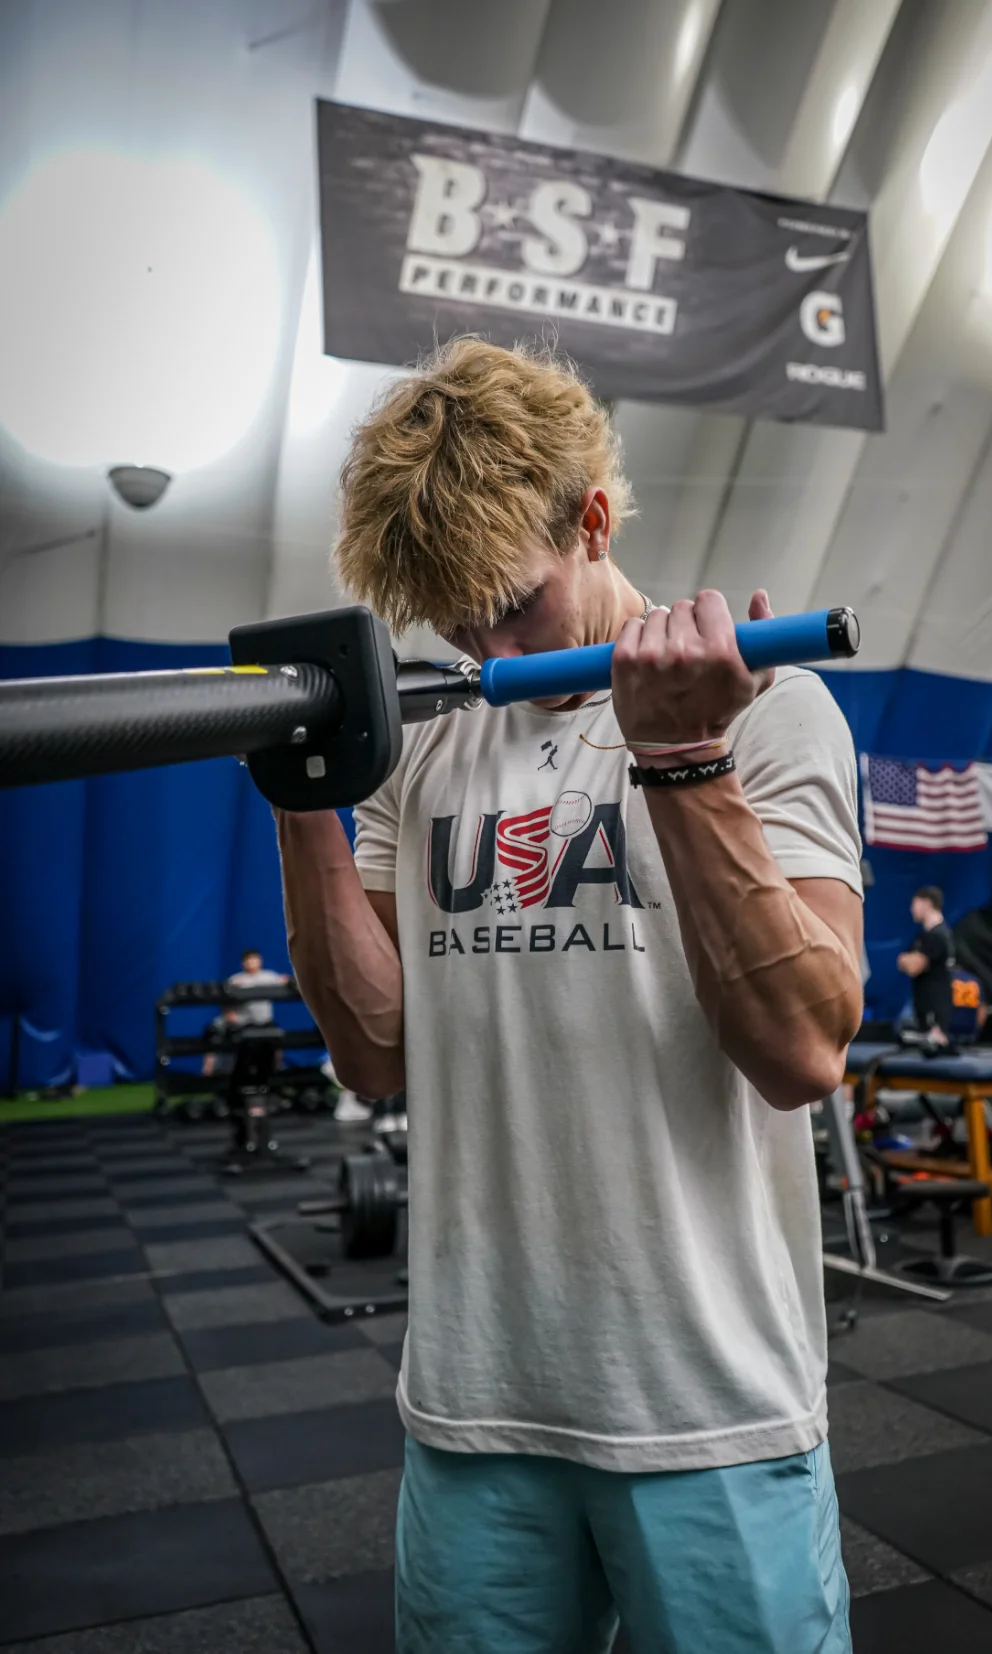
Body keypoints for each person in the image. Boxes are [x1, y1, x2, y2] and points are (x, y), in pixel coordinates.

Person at [276, 338, 864, 1654]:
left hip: (707, 1403)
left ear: (592, 519)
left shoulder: (774, 714)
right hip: (477, 1402)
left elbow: (800, 1050)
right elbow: (376, 1051)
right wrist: (306, 803)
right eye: (450, 624)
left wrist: (680, 757)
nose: (484, 648)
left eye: (513, 606)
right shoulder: (422, 736)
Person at [896, 886, 955, 1040]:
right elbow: (902, 961)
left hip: (934, 1012)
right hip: (922, 1010)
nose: (911, 910)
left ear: (927, 903)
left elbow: (912, 967)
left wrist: (909, 960)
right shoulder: (923, 936)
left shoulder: (937, 936)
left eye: (914, 904)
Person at [225, 948, 289, 1027]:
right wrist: (229, 1014)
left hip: (265, 1021)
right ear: (243, 963)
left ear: (260, 960)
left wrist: (287, 980)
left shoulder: (269, 976)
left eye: (254, 959)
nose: (251, 962)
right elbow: (226, 1000)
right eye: (248, 959)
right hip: (243, 1022)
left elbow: (284, 981)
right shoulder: (235, 979)